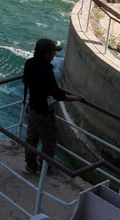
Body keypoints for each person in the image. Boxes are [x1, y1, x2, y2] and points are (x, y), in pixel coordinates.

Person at [22, 38, 85, 175]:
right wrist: (76, 98)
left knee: (31, 139)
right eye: (53, 52)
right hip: (44, 114)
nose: (54, 54)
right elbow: (58, 95)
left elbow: (26, 81)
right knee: (49, 142)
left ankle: (30, 166)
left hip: (32, 108)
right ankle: (45, 169)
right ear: (46, 54)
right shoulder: (46, 71)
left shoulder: (30, 63)